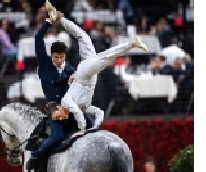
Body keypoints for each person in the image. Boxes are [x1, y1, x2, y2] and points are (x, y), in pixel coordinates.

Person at [44, 1, 148, 133]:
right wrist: (95, 127)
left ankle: (132, 44)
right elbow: (99, 113)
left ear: (58, 108)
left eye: (58, 116)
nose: (62, 118)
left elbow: (78, 114)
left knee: (105, 57)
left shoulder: (65, 102)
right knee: (82, 36)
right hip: (88, 76)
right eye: (59, 119)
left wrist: (82, 131)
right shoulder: (83, 106)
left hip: (84, 74)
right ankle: (59, 18)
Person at [26, 9, 94, 170]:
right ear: (52, 56)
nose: (58, 60)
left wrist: (74, 81)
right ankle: (36, 156)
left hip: (69, 109)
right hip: (54, 110)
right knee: (57, 136)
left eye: (61, 57)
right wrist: (49, 21)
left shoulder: (71, 70)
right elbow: (37, 38)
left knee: (90, 124)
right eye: (56, 57)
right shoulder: (45, 66)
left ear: (65, 55)